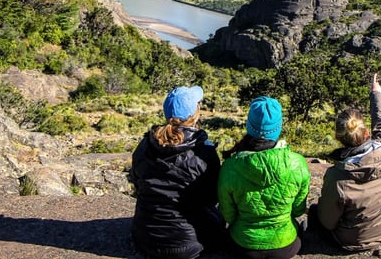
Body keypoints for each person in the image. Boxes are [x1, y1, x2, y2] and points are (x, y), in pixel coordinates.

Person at [130, 85, 223, 259]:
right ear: (195, 114)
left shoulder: (145, 145)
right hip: (188, 244)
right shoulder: (202, 153)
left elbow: (136, 181)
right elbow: (213, 197)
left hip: (144, 237)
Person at [218, 96, 310, 259]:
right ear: (278, 127)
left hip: (243, 245)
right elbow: (298, 210)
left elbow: (228, 216)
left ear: (249, 126)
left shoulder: (230, 166)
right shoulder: (298, 163)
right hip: (285, 245)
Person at [315, 73, 381, 252]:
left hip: (350, 240)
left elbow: (327, 222)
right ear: (367, 133)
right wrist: (376, 94)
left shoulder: (338, 177)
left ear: (338, 138)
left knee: (315, 214)